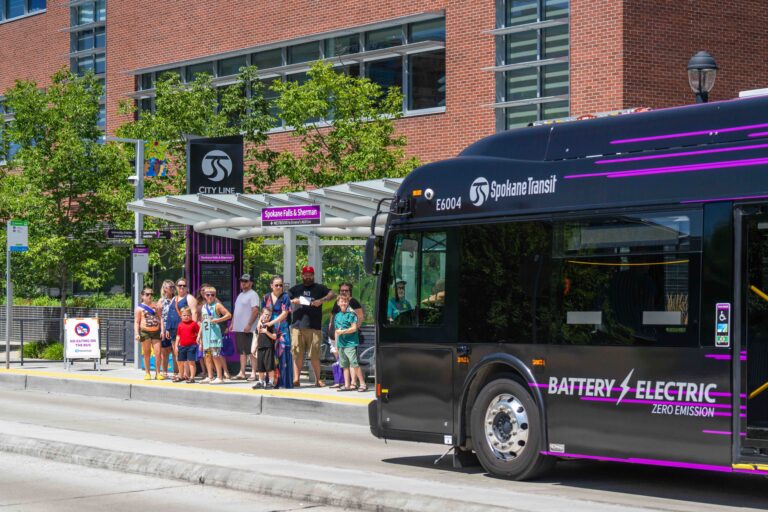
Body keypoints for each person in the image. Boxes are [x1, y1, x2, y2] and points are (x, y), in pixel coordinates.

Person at [289, 266, 335, 387]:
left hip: (314, 327)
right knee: (297, 354)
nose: (308, 276)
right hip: (297, 327)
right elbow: (286, 297)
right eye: (305, 274)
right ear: (302, 275)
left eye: (310, 274)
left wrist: (322, 300)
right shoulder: (296, 288)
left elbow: (332, 294)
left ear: (313, 275)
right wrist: (293, 300)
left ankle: (318, 380)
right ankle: (296, 379)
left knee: (315, 355)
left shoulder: (319, 288)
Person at [328, 283, 364, 388]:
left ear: (350, 291)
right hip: (337, 339)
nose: (344, 292)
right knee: (342, 362)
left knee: (351, 362)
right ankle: (342, 382)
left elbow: (360, 317)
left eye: (346, 290)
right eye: (342, 290)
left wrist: (352, 330)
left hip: (349, 339)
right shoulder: (338, 302)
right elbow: (332, 317)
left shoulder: (353, 302)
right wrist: (332, 330)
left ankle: (354, 383)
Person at [262, 275, 293, 389]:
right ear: (271, 286)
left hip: (282, 330)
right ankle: (270, 381)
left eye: (281, 285)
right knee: (269, 355)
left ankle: (283, 383)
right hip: (268, 330)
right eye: (276, 285)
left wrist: (271, 322)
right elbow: (262, 313)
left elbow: (285, 313)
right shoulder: (266, 297)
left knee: (282, 355)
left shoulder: (285, 297)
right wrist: (261, 325)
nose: (279, 287)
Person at [165, 277, 198, 382]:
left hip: (186, 331)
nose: (182, 288)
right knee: (177, 353)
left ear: (187, 288)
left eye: (184, 286)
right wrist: (167, 329)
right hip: (174, 330)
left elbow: (194, 313)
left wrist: (193, 329)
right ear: (176, 287)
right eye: (180, 286)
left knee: (186, 354)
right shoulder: (174, 299)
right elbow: (169, 314)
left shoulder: (189, 298)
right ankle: (181, 374)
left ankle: (186, 374)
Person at [229, 273, 260, 381]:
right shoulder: (240, 295)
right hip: (239, 328)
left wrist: (249, 324)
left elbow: (255, 310)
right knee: (242, 351)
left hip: (249, 329)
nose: (243, 283)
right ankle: (242, 372)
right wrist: (233, 323)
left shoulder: (253, 294)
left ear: (251, 283)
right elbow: (236, 311)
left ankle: (253, 373)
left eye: (246, 281)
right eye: (242, 281)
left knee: (252, 352)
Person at [199, 285, 232, 384]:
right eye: (208, 295)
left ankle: (219, 377)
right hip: (205, 334)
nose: (210, 297)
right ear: (204, 295)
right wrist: (199, 335)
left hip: (214, 334)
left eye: (212, 295)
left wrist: (218, 320)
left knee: (215, 355)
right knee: (207, 356)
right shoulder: (204, 306)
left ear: (215, 296)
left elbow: (228, 315)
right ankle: (210, 376)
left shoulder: (217, 305)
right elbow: (202, 321)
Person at [134, 286, 163, 381]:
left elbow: (160, 318)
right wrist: (137, 333)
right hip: (145, 331)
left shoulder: (156, 306)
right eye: (147, 294)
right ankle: (147, 373)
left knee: (158, 353)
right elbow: (137, 322)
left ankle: (158, 373)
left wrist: (162, 330)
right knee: (147, 353)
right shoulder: (139, 308)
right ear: (142, 296)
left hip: (156, 331)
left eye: (151, 294)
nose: (150, 296)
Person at [252, 308, 277, 389]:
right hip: (260, 347)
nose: (267, 317)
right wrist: (255, 347)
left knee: (269, 366)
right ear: (261, 315)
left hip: (268, 348)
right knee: (261, 367)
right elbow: (257, 336)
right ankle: (261, 382)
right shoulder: (259, 325)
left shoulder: (270, 325)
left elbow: (274, 337)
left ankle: (271, 382)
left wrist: (266, 332)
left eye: (269, 315)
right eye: (266, 314)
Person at [174, 307, 200, 384]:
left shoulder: (194, 324)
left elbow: (199, 333)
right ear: (181, 316)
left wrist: (200, 342)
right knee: (180, 362)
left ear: (191, 315)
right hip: (182, 346)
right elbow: (178, 336)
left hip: (192, 346)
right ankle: (181, 376)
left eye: (188, 315)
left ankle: (192, 377)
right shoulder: (180, 325)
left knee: (191, 362)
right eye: (184, 315)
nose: (186, 317)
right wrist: (176, 345)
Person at [158, 279, 175, 380]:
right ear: (165, 289)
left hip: (174, 328)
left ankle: (176, 371)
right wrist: (162, 330)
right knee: (165, 352)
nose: (172, 289)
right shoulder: (161, 301)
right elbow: (161, 317)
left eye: (173, 287)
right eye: (170, 287)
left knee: (175, 351)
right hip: (165, 327)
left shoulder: (176, 299)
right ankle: (164, 371)